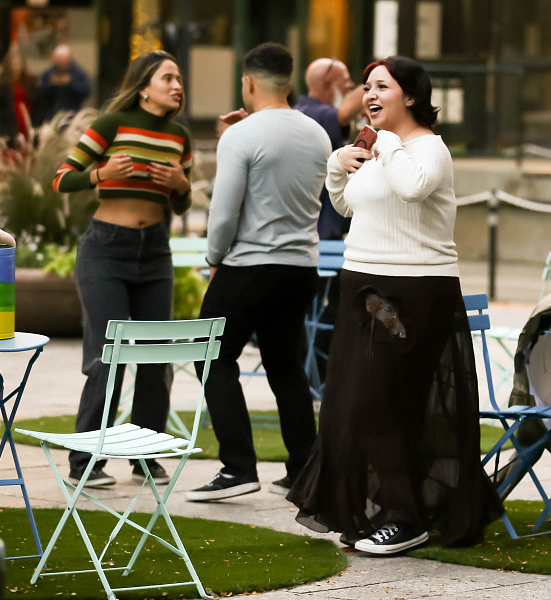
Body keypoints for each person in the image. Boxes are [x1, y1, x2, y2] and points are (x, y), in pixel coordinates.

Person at [287, 56, 503, 555]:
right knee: (358, 403)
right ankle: (386, 510)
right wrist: (335, 167)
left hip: (414, 289)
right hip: (361, 285)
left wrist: (385, 143)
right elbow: (346, 206)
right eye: (366, 87)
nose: (369, 95)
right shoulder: (378, 148)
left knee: (385, 403)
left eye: (381, 86)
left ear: (410, 95)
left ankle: (406, 517)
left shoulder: (430, 150)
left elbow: (411, 188)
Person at [185, 42, 331, 502]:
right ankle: (304, 467)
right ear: (289, 81)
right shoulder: (317, 134)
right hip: (301, 266)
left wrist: (213, 257)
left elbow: (223, 213)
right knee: (286, 366)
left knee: (211, 357)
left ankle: (238, 467)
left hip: (248, 265)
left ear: (247, 83)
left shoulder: (241, 136)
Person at [53, 50, 192, 487]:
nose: (177, 85)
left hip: (155, 252)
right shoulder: (112, 125)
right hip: (105, 251)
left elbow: (182, 202)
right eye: (168, 77)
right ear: (144, 84)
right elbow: (62, 177)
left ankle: (145, 456)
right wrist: (101, 173)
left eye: (178, 79)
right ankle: (86, 462)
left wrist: (182, 186)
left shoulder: (179, 135)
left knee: (156, 359)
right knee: (107, 357)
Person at [295, 57, 364, 240]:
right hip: (319, 228)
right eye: (346, 80)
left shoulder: (300, 110)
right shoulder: (313, 113)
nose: (350, 86)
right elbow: (344, 114)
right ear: (328, 83)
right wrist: (377, 84)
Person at [0, 46, 38, 147]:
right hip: (9, 122)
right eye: (14, 64)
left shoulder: (27, 82)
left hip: (25, 118)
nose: (17, 67)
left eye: (19, 64)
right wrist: (2, 118)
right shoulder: (2, 83)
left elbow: (35, 100)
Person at [35, 43, 91, 124]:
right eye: (58, 62)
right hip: (50, 116)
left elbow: (86, 92)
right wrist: (50, 84)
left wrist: (70, 83)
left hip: (73, 116)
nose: (61, 64)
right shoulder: (48, 73)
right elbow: (39, 93)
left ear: (69, 60)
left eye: (63, 61)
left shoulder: (78, 73)